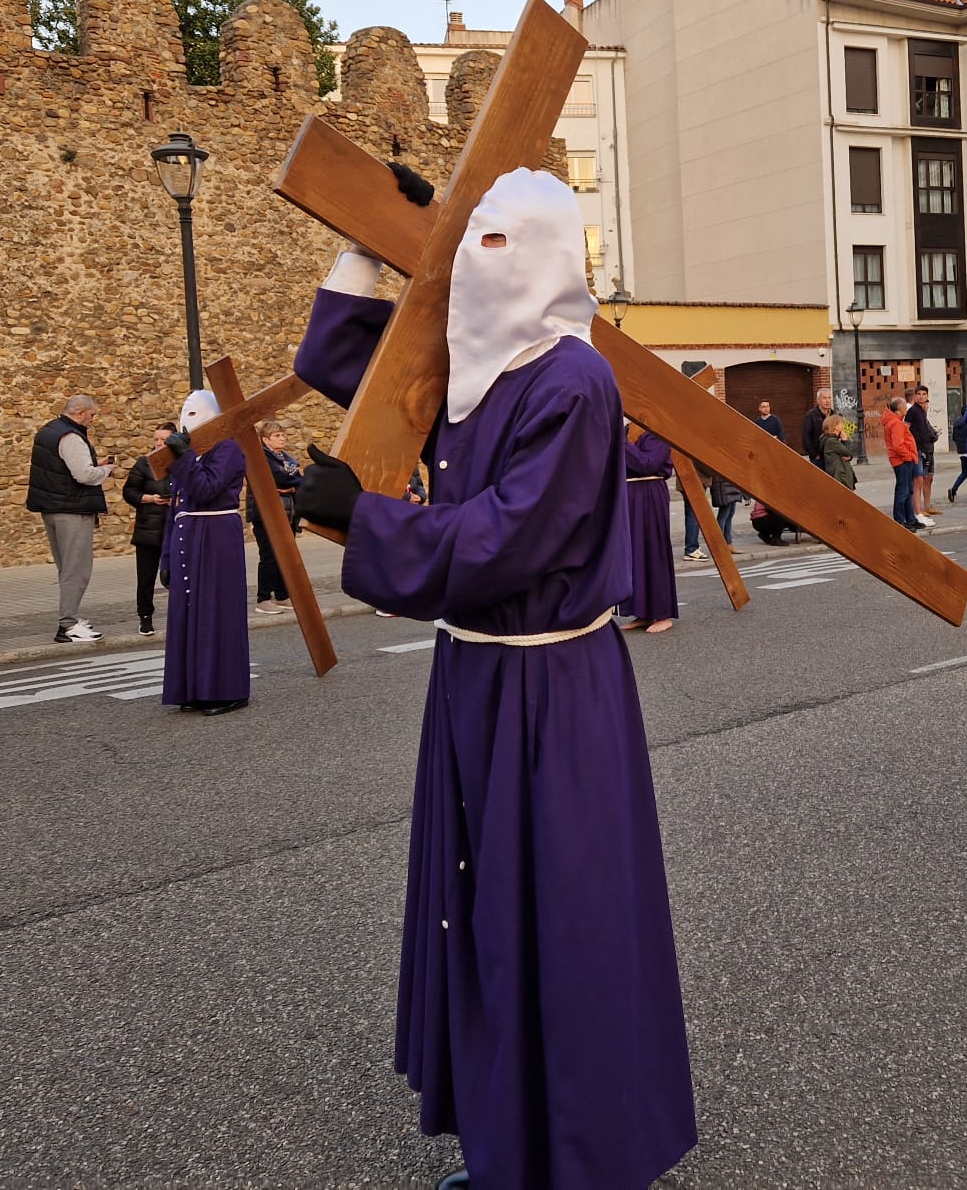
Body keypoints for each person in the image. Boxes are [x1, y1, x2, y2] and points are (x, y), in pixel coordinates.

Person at [291, 166, 695, 1188]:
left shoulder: (572, 378)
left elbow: (510, 538)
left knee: (559, 922)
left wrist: (364, 518)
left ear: (555, 254)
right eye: (481, 241)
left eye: (503, 242)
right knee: (482, 914)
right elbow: (352, 365)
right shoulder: (473, 365)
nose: (484, 260)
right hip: (474, 681)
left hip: (555, 694)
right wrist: (390, 242)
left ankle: (583, 1154)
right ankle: (507, 1146)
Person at [158, 392, 250, 715]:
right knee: (187, 613)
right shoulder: (189, 454)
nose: (187, 419)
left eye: (195, 413)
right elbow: (177, 506)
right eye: (185, 412)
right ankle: (192, 687)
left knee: (216, 612)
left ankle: (227, 689)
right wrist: (166, 556)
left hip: (216, 537)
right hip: (188, 535)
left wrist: (182, 460)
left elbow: (207, 490)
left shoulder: (228, 449)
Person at [25, 394, 113, 644]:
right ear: (80, 413)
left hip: (52, 508)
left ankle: (71, 618)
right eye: (92, 415)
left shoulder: (49, 431)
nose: (93, 420)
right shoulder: (71, 436)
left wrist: (95, 463)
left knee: (66, 568)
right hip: (72, 510)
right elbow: (84, 475)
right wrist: (105, 470)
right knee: (77, 570)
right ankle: (68, 624)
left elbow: (59, 467)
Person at [622, 426, 679, 633]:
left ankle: (663, 613)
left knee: (653, 551)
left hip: (649, 495)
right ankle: (642, 612)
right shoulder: (628, 432)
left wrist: (622, 442)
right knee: (634, 554)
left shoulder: (658, 432)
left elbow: (647, 464)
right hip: (629, 495)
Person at [122, 423, 177, 636]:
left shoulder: (182, 464)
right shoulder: (144, 463)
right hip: (149, 529)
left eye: (163, 440)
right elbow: (129, 492)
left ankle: (180, 615)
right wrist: (150, 499)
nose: (158, 444)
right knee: (145, 577)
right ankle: (145, 617)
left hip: (174, 529)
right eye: (156, 439)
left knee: (178, 576)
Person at [248, 419, 303, 615]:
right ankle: (263, 598)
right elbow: (280, 478)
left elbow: (298, 478)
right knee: (269, 556)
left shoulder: (286, 457)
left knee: (286, 555)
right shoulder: (261, 458)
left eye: (282, 435)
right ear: (265, 440)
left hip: (288, 510)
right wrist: (291, 482)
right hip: (266, 513)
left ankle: (281, 594)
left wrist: (292, 482)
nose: (282, 439)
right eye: (277, 436)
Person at [880, 395, 922, 531]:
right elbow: (898, 445)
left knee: (907, 489)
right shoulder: (896, 423)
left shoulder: (894, 421)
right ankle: (900, 520)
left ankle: (910, 518)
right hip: (902, 460)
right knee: (903, 490)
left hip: (902, 459)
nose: (906, 408)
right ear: (899, 409)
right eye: (904, 406)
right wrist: (908, 456)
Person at [906, 386, 941, 518]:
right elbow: (906, 429)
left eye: (924, 394)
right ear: (915, 396)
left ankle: (927, 506)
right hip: (918, 450)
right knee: (918, 480)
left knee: (929, 478)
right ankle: (917, 510)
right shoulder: (913, 411)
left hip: (928, 448)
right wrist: (912, 445)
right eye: (919, 394)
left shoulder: (922, 411)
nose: (921, 396)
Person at [820, 413, 857, 487]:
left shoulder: (833, 440)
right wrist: (845, 440)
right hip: (839, 476)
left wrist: (849, 456)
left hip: (840, 474)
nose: (843, 425)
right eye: (841, 423)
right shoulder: (831, 441)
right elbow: (847, 451)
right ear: (835, 426)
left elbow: (846, 454)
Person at [800, 388, 833, 467]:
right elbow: (806, 437)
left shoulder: (834, 415)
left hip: (832, 456)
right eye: (824, 398)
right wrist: (814, 454)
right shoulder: (811, 415)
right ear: (818, 400)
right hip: (818, 457)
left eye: (829, 398)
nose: (827, 401)